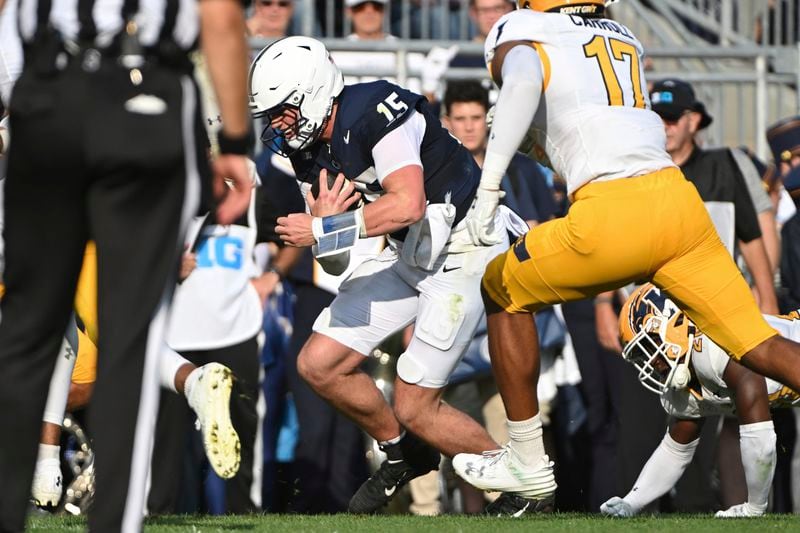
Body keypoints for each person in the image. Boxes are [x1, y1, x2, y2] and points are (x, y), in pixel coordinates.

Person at [451, 0, 800, 516]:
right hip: (678, 205)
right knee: (756, 342)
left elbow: (525, 82)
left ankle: (527, 460)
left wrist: (490, 183)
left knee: (501, 286)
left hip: (614, 211)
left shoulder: (522, 28)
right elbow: (590, 123)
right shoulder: (619, 34)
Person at [0, 0, 252, 529]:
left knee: (25, 335)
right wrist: (233, 139)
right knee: (127, 344)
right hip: (145, 102)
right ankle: (114, 517)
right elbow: (221, 17)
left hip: (44, 101)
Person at [249, 36, 524, 514]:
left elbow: (408, 202)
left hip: (465, 247)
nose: (277, 124)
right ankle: (405, 451)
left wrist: (325, 226)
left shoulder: (372, 108)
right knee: (319, 363)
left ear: (312, 93)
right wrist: (327, 231)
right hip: (412, 254)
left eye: (283, 111)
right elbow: (332, 259)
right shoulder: (308, 152)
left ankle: (518, 484)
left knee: (416, 402)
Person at [601, 283, 799, 518]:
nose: (651, 360)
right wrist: (631, 502)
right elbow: (675, 450)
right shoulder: (687, 370)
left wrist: (754, 507)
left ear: (674, 325)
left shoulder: (716, 349)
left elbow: (760, 437)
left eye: (648, 345)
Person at [650, 78, 778, 314]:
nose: (663, 127)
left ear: (693, 120)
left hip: (717, 305)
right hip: (654, 308)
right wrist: (604, 303)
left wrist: (766, 298)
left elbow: (752, 234)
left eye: (671, 118)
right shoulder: (638, 171)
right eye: (655, 119)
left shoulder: (724, 166)